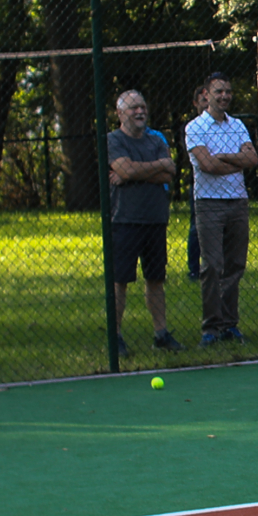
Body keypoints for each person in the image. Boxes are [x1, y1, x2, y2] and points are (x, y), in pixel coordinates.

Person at [107, 90, 184, 356]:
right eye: (133, 108)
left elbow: (170, 171)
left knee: (156, 279)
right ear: (120, 113)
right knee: (120, 280)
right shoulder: (112, 140)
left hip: (155, 219)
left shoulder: (155, 140)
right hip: (124, 220)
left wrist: (131, 173)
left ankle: (160, 334)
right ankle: (114, 337)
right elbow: (127, 169)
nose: (140, 112)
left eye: (142, 107)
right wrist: (154, 167)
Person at [185, 72, 258, 346]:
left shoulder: (237, 125)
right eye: (218, 91)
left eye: (228, 91)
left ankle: (230, 324)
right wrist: (236, 162)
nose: (224, 96)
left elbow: (252, 159)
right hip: (209, 204)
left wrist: (226, 157)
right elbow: (208, 166)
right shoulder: (195, 128)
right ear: (206, 95)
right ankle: (210, 327)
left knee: (235, 265)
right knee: (212, 266)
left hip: (238, 202)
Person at [185, 86, 208, 281]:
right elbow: (205, 162)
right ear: (195, 104)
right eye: (203, 101)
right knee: (196, 227)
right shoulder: (192, 127)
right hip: (198, 184)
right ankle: (194, 269)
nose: (207, 104)